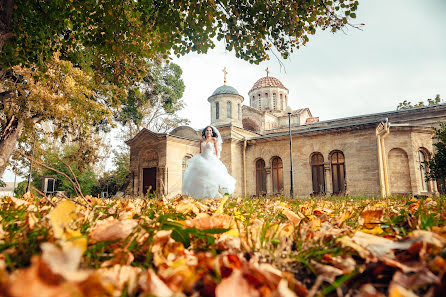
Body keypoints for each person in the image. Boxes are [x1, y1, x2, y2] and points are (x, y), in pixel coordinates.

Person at [182, 126, 236, 199]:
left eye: (210, 130)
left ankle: (214, 196)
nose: (209, 132)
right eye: (207, 130)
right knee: (200, 177)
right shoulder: (202, 140)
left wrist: (216, 161)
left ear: (212, 132)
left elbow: (217, 151)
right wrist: (199, 159)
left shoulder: (214, 139)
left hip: (211, 158)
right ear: (205, 132)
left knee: (212, 177)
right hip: (202, 159)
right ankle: (200, 196)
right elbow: (200, 151)